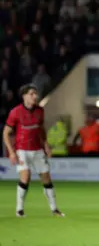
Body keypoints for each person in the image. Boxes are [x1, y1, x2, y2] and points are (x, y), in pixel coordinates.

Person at [2, 84, 64, 217]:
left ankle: (54, 209)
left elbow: (41, 129)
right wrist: (11, 152)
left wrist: (46, 145)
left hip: (37, 150)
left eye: (35, 94)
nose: (35, 96)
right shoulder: (15, 112)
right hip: (21, 150)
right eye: (31, 94)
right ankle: (19, 209)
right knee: (26, 177)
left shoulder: (40, 111)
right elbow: (6, 133)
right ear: (24, 96)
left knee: (46, 179)